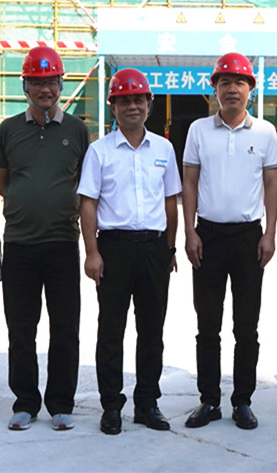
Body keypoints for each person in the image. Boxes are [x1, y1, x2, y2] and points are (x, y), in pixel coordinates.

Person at [181, 53, 277, 431]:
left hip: (248, 238)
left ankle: (242, 401)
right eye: (225, 82)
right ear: (215, 89)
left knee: (246, 326)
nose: (232, 89)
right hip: (207, 236)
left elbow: (272, 184)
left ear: (250, 89)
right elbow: (190, 182)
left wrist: (270, 234)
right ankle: (209, 400)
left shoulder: (265, 132)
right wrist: (189, 232)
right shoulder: (198, 130)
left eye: (240, 82)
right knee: (207, 325)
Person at [0, 46, 90, 432]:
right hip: (20, 244)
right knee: (21, 328)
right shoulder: (9, 130)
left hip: (63, 242)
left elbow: (85, 185)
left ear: (61, 84)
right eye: (37, 82)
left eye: (51, 81)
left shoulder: (77, 130)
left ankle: (61, 403)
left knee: (65, 328)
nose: (45, 89)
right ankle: (26, 402)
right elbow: (3, 183)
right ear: (25, 86)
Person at [79, 68, 181, 435]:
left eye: (139, 100)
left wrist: (170, 247)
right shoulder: (99, 151)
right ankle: (111, 405)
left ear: (149, 104)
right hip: (114, 249)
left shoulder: (164, 149)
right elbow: (88, 203)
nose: (132, 107)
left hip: (154, 248)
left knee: (152, 330)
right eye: (124, 101)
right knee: (111, 330)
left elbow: (170, 202)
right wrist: (92, 252)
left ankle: (147, 403)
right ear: (113, 106)